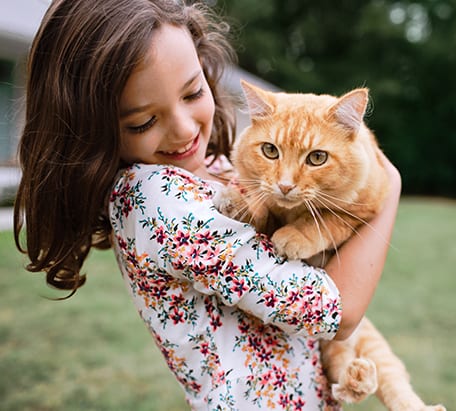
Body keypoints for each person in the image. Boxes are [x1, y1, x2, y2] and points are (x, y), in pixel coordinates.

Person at [14, 0, 402, 409]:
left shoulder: (209, 167)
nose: (183, 131)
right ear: (92, 127)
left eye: (193, 92)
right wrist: (389, 183)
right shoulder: (152, 201)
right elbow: (336, 313)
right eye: (143, 122)